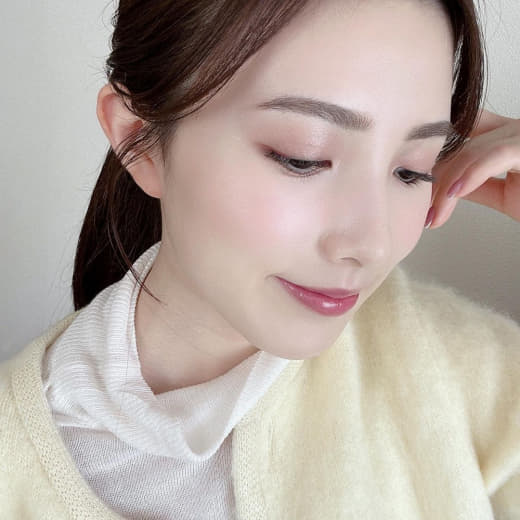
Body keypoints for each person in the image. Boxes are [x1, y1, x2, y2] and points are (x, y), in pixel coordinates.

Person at [1, 0, 519, 518]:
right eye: (303, 158)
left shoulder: (472, 380)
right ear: (138, 139)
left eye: (412, 170)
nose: (371, 244)